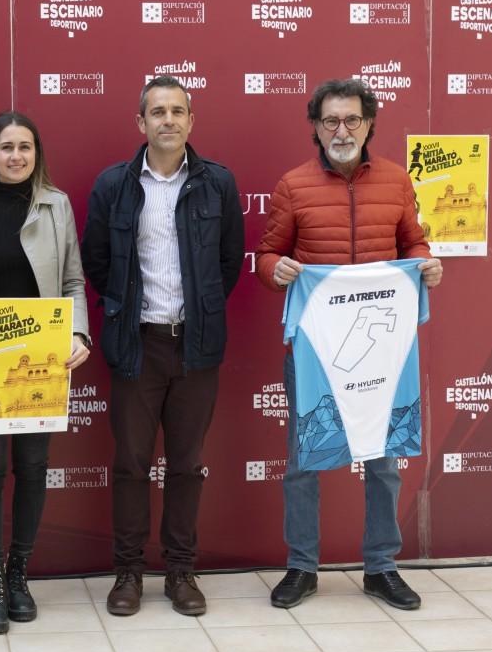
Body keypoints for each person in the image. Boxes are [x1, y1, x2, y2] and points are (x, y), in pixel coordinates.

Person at [256, 78, 443, 610]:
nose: (342, 130)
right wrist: (277, 270)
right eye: (331, 121)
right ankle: (301, 566)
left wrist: (425, 265)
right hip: (315, 352)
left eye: (352, 120)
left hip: (382, 353)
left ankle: (381, 567)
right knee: (304, 461)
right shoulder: (293, 185)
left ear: (369, 124)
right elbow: (267, 255)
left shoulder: (397, 180)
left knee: (384, 462)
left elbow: (413, 242)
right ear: (316, 128)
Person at [81, 76, 244, 617]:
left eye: (177, 111)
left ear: (191, 121)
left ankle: (180, 571)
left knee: (186, 464)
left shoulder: (218, 183)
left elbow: (228, 263)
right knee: (131, 463)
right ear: (141, 122)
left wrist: (200, 311)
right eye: (157, 111)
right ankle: (128, 571)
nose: (168, 120)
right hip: (137, 343)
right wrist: (126, 311)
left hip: (196, 346)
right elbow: (97, 261)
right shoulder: (115, 185)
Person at [0, 111, 91, 634]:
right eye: (7, 147)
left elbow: (73, 281)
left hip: (41, 356)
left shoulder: (56, 206)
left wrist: (79, 334)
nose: (16, 156)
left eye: (25, 147)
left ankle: (19, 574)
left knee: (32, 467)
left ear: (36, 153)